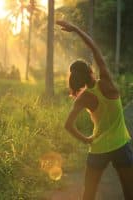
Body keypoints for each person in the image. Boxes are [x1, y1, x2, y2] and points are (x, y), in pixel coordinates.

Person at [56, 21, 133, 200]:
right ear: (91, 70)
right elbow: (94, 48)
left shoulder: (83, 98)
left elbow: (68, 125)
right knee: (130, 193)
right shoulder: (106, 81)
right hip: (121, 146)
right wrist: (75, 29)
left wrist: (87, 139)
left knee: (88, 195)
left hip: (98, 149)